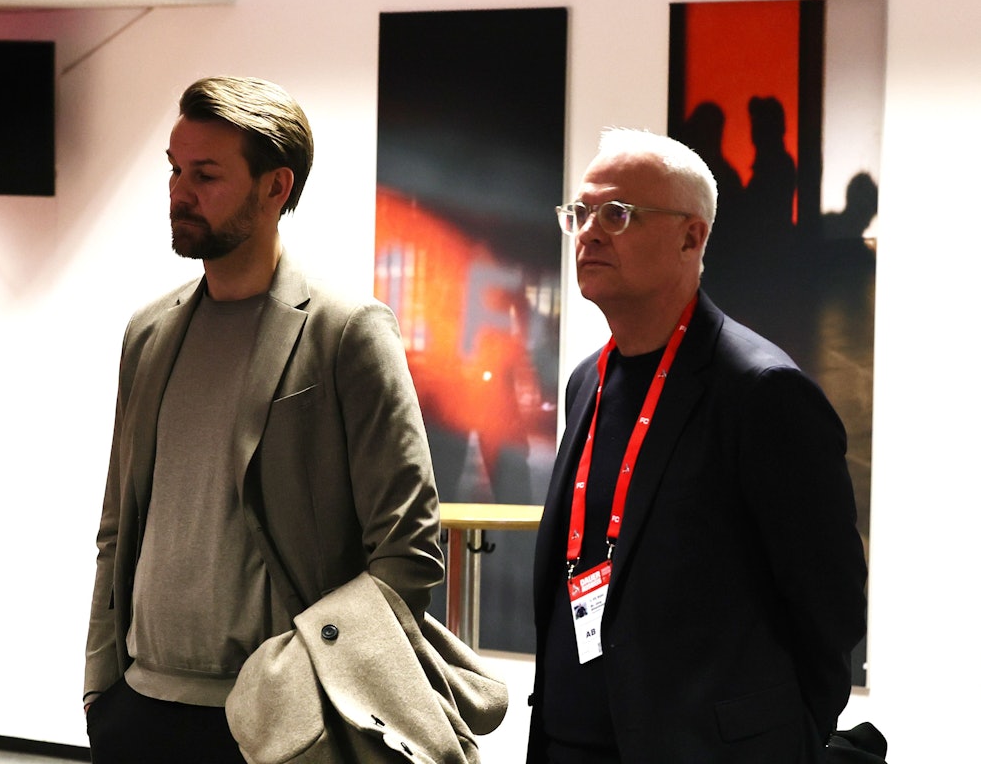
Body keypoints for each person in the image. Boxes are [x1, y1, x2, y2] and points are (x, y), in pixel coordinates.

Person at [83, 76, 445, 763]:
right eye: (174, 170)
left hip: (283, 725)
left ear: (275, 187)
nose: (179, 192)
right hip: (139, 713)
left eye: (206, 175)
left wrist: (316, 688)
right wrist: (100, 690)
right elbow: (116, 527)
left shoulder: (347, 331)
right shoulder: (148, 333)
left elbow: (408, 549)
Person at [527, 128, 867, 763]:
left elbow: (831, 606)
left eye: (616, 213)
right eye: (580, 212)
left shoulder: (762, 391)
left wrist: (778, 741)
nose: (589, 233)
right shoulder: (586, 383)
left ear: (692, 237)